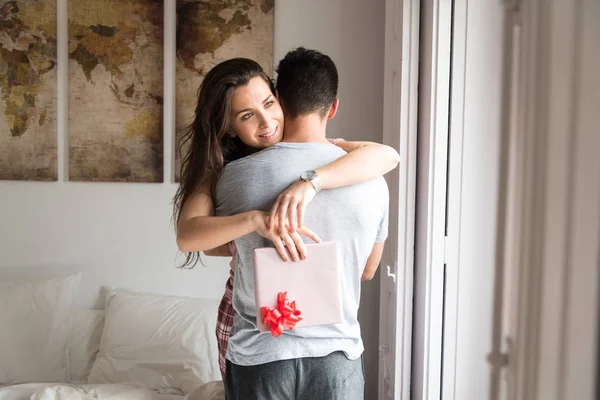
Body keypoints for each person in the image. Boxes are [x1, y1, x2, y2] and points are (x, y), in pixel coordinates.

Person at [173, 57, 398, 382]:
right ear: (228, 125)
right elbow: (190, 237)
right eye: (247, 115)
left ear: (280, 97)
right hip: (251, 324)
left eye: (269, 104)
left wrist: (309, 183)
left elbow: (389, 155)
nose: (266, 123)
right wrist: (253, 222)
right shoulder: (222, 169)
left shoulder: (333, 153)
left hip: (300, 331)